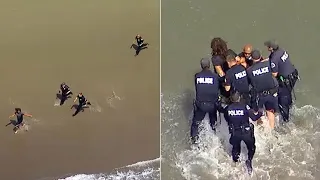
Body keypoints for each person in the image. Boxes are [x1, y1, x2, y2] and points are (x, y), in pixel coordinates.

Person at [222, 91, 262, 174]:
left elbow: (227, 119)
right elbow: (254, 118)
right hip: (246, 133)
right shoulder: (244, 107)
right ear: (239, 98)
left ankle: (235, 164)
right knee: (251, 148)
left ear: (231, 99)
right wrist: (260, 113)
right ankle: (249, 160)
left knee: (236, 148)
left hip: (235, 133)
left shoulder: (227, 108)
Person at [264, 40, 299, 122]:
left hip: (286, 80)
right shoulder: (282, 50)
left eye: (268, 46)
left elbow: (274, 74)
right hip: (293, 75)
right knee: (287, 94)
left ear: (271, 48)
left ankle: (286, 120)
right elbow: (271, 59)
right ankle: (290, 105)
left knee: (282, 101)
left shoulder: (274, 59)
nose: (267, 48)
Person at [247, 50, 279, 130]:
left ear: (252, 58)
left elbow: (249, 82)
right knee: (270, 111)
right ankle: (271, 130)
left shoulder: (249, 70)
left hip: (260, 95)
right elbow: (270, 61)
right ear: (260, 56)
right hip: (272, 93)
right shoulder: (268, 64)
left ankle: (260, 130)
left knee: (258, 112)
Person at [191, 58, 220, 144]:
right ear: (209, 65)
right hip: (213, 105)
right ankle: (216, 140)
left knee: (195, 124)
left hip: (201, 105)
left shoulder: (197, 76)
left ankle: (194, 142)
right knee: (213, 123)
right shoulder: (215, 76)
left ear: (201, 66)